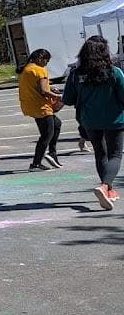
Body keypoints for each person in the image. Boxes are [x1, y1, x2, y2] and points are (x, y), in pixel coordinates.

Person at [62, 36, 124, 209]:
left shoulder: (75, 74)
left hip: (89, 119)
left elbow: (67, 99)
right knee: (115, 154)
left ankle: (107, 189)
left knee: (100, 153)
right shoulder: (114, 72)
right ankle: (105, 186)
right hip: (114, 118)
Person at [18, 48, 61, 171]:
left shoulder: (26, 69)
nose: (46, 64)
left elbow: (36, 86)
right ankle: (36, 163)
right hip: (41, 106)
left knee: (57, 124)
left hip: (30, 105)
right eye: (46, 61)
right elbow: (43, 91)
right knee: (47, 134)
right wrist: (58, 96)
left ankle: (52, 153)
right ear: (40, 59)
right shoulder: (40, 70)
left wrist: (49, 87)